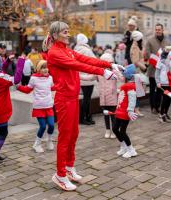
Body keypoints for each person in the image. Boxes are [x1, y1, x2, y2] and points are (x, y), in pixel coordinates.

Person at [46, 21, 118, 191]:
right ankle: (60, 174)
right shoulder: (54, 53)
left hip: (72, 97)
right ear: (55, 35)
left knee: (74, 134)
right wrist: (102, 72)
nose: (68, 34)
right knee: (65, 137)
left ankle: (69, 168)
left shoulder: (66, 50)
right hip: (64, 99)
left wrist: (109, 64)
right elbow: (77, 65)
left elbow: (86, 59)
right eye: (65, 32)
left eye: (68, 31)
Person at [17, 60, 55, 153]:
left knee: (51, 125)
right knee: (42, 126)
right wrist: (18, 87)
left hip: (49, 106)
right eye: (43, 68)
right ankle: (36, 144)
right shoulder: (34, 78)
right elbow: (28, 89)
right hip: (39, 107)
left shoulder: (50, 78)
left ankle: (49, 141)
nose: (45, 69)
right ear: (38, 69)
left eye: (46, 67)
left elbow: (53, 88)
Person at [113, 64, 145, 158]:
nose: (121, 77)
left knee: (122, 131)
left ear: (128, 76)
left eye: (123, 75)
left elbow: (132, 99)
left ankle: (131, 150)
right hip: (120, 111)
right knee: (115, 129)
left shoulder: (130, 86)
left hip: (125, 112)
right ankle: (124, 147)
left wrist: (130, 110)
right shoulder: (126, 85)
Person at [145, 23, 171, 114]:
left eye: (159, 29)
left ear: (162, 30)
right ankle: (153, 107)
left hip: (164, 71)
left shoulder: (168, 41)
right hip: (153, 69)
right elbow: (147, 54)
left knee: (161, 90)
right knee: (153, 89)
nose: (157, 31)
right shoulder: (150, 40)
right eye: (156, 29)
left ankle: (159, 106)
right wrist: (157, 60)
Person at [74, 33, 98, 125]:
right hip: (88, 77)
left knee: (85, 98)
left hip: (80, 77)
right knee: (87, 99)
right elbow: (94, 61)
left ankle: (86, 117)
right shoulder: (87, 50)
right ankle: (84, 118)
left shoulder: (76, 50)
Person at [130, 30, 147, 117]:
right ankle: (136, 109)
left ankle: (136, 109)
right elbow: (135, 61)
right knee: (137, 91)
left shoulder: (136, 46)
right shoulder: (135, 48)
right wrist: (144, 67)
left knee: (137, 91)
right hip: (137, 71)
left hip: (138, 71)